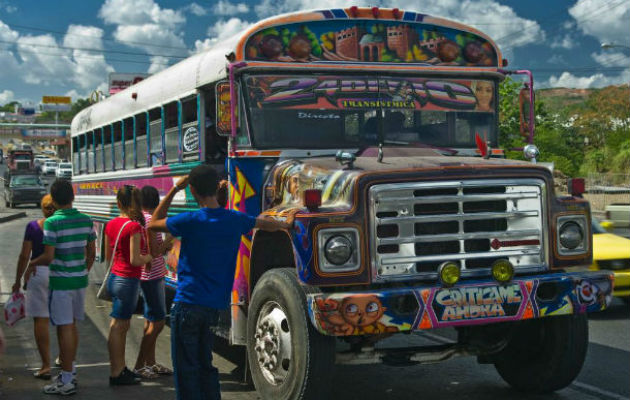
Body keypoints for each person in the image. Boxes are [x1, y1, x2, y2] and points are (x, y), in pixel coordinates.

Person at [148, 165, 293, 400]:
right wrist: (287, 223)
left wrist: (175, 188)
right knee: (205, 364)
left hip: (188, 304)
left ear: (192, 190)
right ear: (217, 188)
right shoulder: (235, 219)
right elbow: (265, 223)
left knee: (187, 370)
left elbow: (153, 222)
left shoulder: (190, 219)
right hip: (214, 306)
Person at [26, 179, 96, 396]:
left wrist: (32, 263)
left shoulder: (52, 222)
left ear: (54, 200)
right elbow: (91, 253)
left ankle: (66, 379)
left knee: (64, 327)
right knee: (71, 326)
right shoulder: (86, 220)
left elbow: (48, 256)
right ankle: (70, 372)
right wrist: (82, 271)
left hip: (61, 283)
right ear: (73, 196)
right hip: (79, 281)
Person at [104, 185, 153, 385]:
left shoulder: (111, 224)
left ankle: (120, 368)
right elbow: (135, 260)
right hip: (128, 280)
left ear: (118, 203)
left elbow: (109, 258)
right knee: (119, 326)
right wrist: (152, 255)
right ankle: (117, 371)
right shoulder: (133, 227)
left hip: (115, 277)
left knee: (119, 325)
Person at [13, 194, 56, 380]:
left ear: (42, 208)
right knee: (65, 321)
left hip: (39, 274)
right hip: (62, 274)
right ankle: (65, 359)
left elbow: (24, 256)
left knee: (41, 320)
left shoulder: (33, 227)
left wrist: (18, 280)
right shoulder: (63, 226)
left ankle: (46, 365)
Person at [133, 185, 173, 378]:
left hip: (144, 275)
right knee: (158, 321)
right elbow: (156, 251)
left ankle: (151, 362)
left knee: (150, 320)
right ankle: (141, 364)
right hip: (152, 275)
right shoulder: (150, 220)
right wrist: (169, 239)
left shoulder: (139, 218)